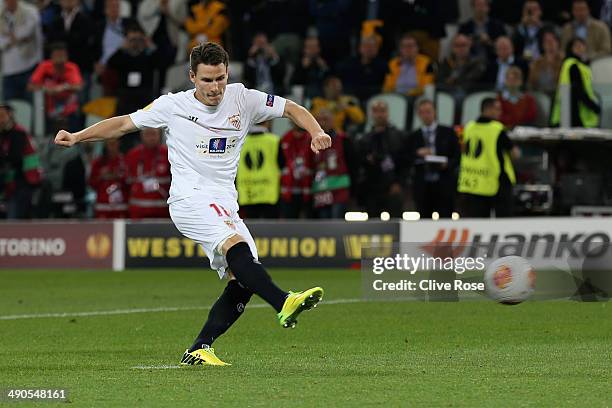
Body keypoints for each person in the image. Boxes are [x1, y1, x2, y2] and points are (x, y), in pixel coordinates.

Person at [54, 41, 331, 366]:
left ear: (227, 74)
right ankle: (284, 301)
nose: (215, 88)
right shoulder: (172, 106)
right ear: (192, 77)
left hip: (225, 202)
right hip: (190, 197)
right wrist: (77, 136)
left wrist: (316, 131)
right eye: (207, 80)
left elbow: (292, 109)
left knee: (243, 277)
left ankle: (201, 346)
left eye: (220, 79)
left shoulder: (244, 98)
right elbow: (123, 124)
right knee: (237, 248)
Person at [457, 97, 519, 218]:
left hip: (473, 182)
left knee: (478, 223)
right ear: (489, 109)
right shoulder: (496, 129)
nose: (500, 112)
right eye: (497, 109)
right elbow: (514, 153)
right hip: (496, 181)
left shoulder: (468, 127)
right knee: (503, 221)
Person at [408, 99, 460, 219]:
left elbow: (457, 156)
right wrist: (417, 153)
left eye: (428, 111)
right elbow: (406, 157)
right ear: (418, 114)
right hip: (422, 185)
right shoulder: (413, 136)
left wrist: (447, 164)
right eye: (422, 112)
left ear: (434, 112)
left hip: (444, 183)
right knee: (424, 219)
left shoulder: (448, 132)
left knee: (446, 218)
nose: (426, 115)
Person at [358, 100, 406, 218]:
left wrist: (398, 183)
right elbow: (360, 163)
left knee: (396, 223)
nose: (379, 114)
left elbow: (404, 161)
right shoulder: (364, 139)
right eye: (376, 111)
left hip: (393, 186)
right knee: (372, 225)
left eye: (382, 111)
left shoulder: (399, 136)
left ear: (388, 113)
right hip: (372, 187)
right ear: (371, 114)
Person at [28, 42, 83, 133]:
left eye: (62, 55)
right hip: (48, 108)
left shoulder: (72, 67)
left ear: (67, 56)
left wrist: (63, 87)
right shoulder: (44, 66)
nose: (60, 59)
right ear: (51, 56)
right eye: (57, 55)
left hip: (68, 109)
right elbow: (30, 86)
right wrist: (46, 89)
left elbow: (78, 87)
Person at [0, 103, 42, 219]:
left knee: (14, 219)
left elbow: (15, 158)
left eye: (2, 116)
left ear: (10, 115)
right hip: (13, 182)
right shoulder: (5, 134)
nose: (0, 120)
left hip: (23, 182)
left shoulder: (18, 133)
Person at [311, 108, 353, 219]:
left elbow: (353, 164)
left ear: (332, 121)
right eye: (319, 120)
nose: (322, 123)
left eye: (325, 119)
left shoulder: (344, 139)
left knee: (336, 226)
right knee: (324, 229)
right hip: (321, 191)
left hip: (339, 190)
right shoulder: (311, 142)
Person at [551, 37, 601, 128]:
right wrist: (593, 106)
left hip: (568, 108)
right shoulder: (573, 65)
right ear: (570, 48)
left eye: (582, 45)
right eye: (577, 46)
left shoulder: (580, 65)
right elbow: (578, 89)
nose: (580, 48)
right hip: (574, 109)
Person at [236, 122, 281, 219]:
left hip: (247, 194)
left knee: (250, 231)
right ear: (267, 123)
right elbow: (282, 165)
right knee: (271, 231)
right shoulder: (274, 141)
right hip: (269, 194)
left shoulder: (239, 143)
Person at [0, 0, 43, 101]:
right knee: (9, 109)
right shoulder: (1, 11)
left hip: (30, 68)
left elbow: (26, 31)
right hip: (8, 72)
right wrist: (16, 39)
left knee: (31, 105)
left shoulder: (30, 11)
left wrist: (7, 38)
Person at [124, 127, 170, 218]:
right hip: (137, 213)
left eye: (154, 134)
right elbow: (126, 183)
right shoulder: (132, 155)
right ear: (141, 136)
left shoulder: (168, 154)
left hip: (162, 212)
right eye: (147, 134)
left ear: (159, 135)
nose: (151, 138)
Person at [278, 123, 314, 218]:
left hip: (307, 189)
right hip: (289, 190)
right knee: (289, 224)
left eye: (301, 131)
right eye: (297, 130)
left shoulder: (310, 140)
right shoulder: (285, 140)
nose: (298, 134)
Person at [89, 138, 129, 218]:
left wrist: (119, 176)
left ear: (119, 143)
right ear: (106, 145)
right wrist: (101, 176)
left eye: (114, 144)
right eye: (110, 144)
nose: (112, 147)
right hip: (103, 206)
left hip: (121, 206)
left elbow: (130, 183)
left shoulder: (125, 161)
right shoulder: (98, 163)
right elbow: (91, 182)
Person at [527, 29, 563, 95]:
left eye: (552, 40)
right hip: (540, 94)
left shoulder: (564, 61)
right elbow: (531, 83)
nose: (550, 43)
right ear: (543, 45)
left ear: (558, 43)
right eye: (547, 41)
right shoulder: (537, 63)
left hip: (559, 93)